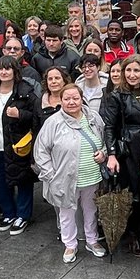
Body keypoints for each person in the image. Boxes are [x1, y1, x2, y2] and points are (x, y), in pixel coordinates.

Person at [34, 83, 109, 263]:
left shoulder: (94, 117)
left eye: (75, 98)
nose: (71, 102)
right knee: (66, 213)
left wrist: (103, 153)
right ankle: (70, 244)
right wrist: (51, 175)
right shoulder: (53, 122)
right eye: (67, 98)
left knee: (91, 211)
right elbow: (41, 151)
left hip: (91, 176)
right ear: (61, 100)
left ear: (81, 98)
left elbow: (104, 140)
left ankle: (92, 240)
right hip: (64, 178)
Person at [0, 56, 39, 236]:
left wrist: (21, 114)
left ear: (15, 71)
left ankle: (23, 215)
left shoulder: (25, 91)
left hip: (18, 145)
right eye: (1, 69)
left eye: (8, 69)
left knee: (23, 181)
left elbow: (36, 115)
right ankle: (9, 213)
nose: (4, 72)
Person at [105, 55, 140, 255]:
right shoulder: (117, 95)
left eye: (136, 70)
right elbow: (109, 126)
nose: (132, 75)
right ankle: (133, 233)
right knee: (131, 194)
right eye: (128, 70)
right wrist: (111, 154)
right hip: (128, 150)